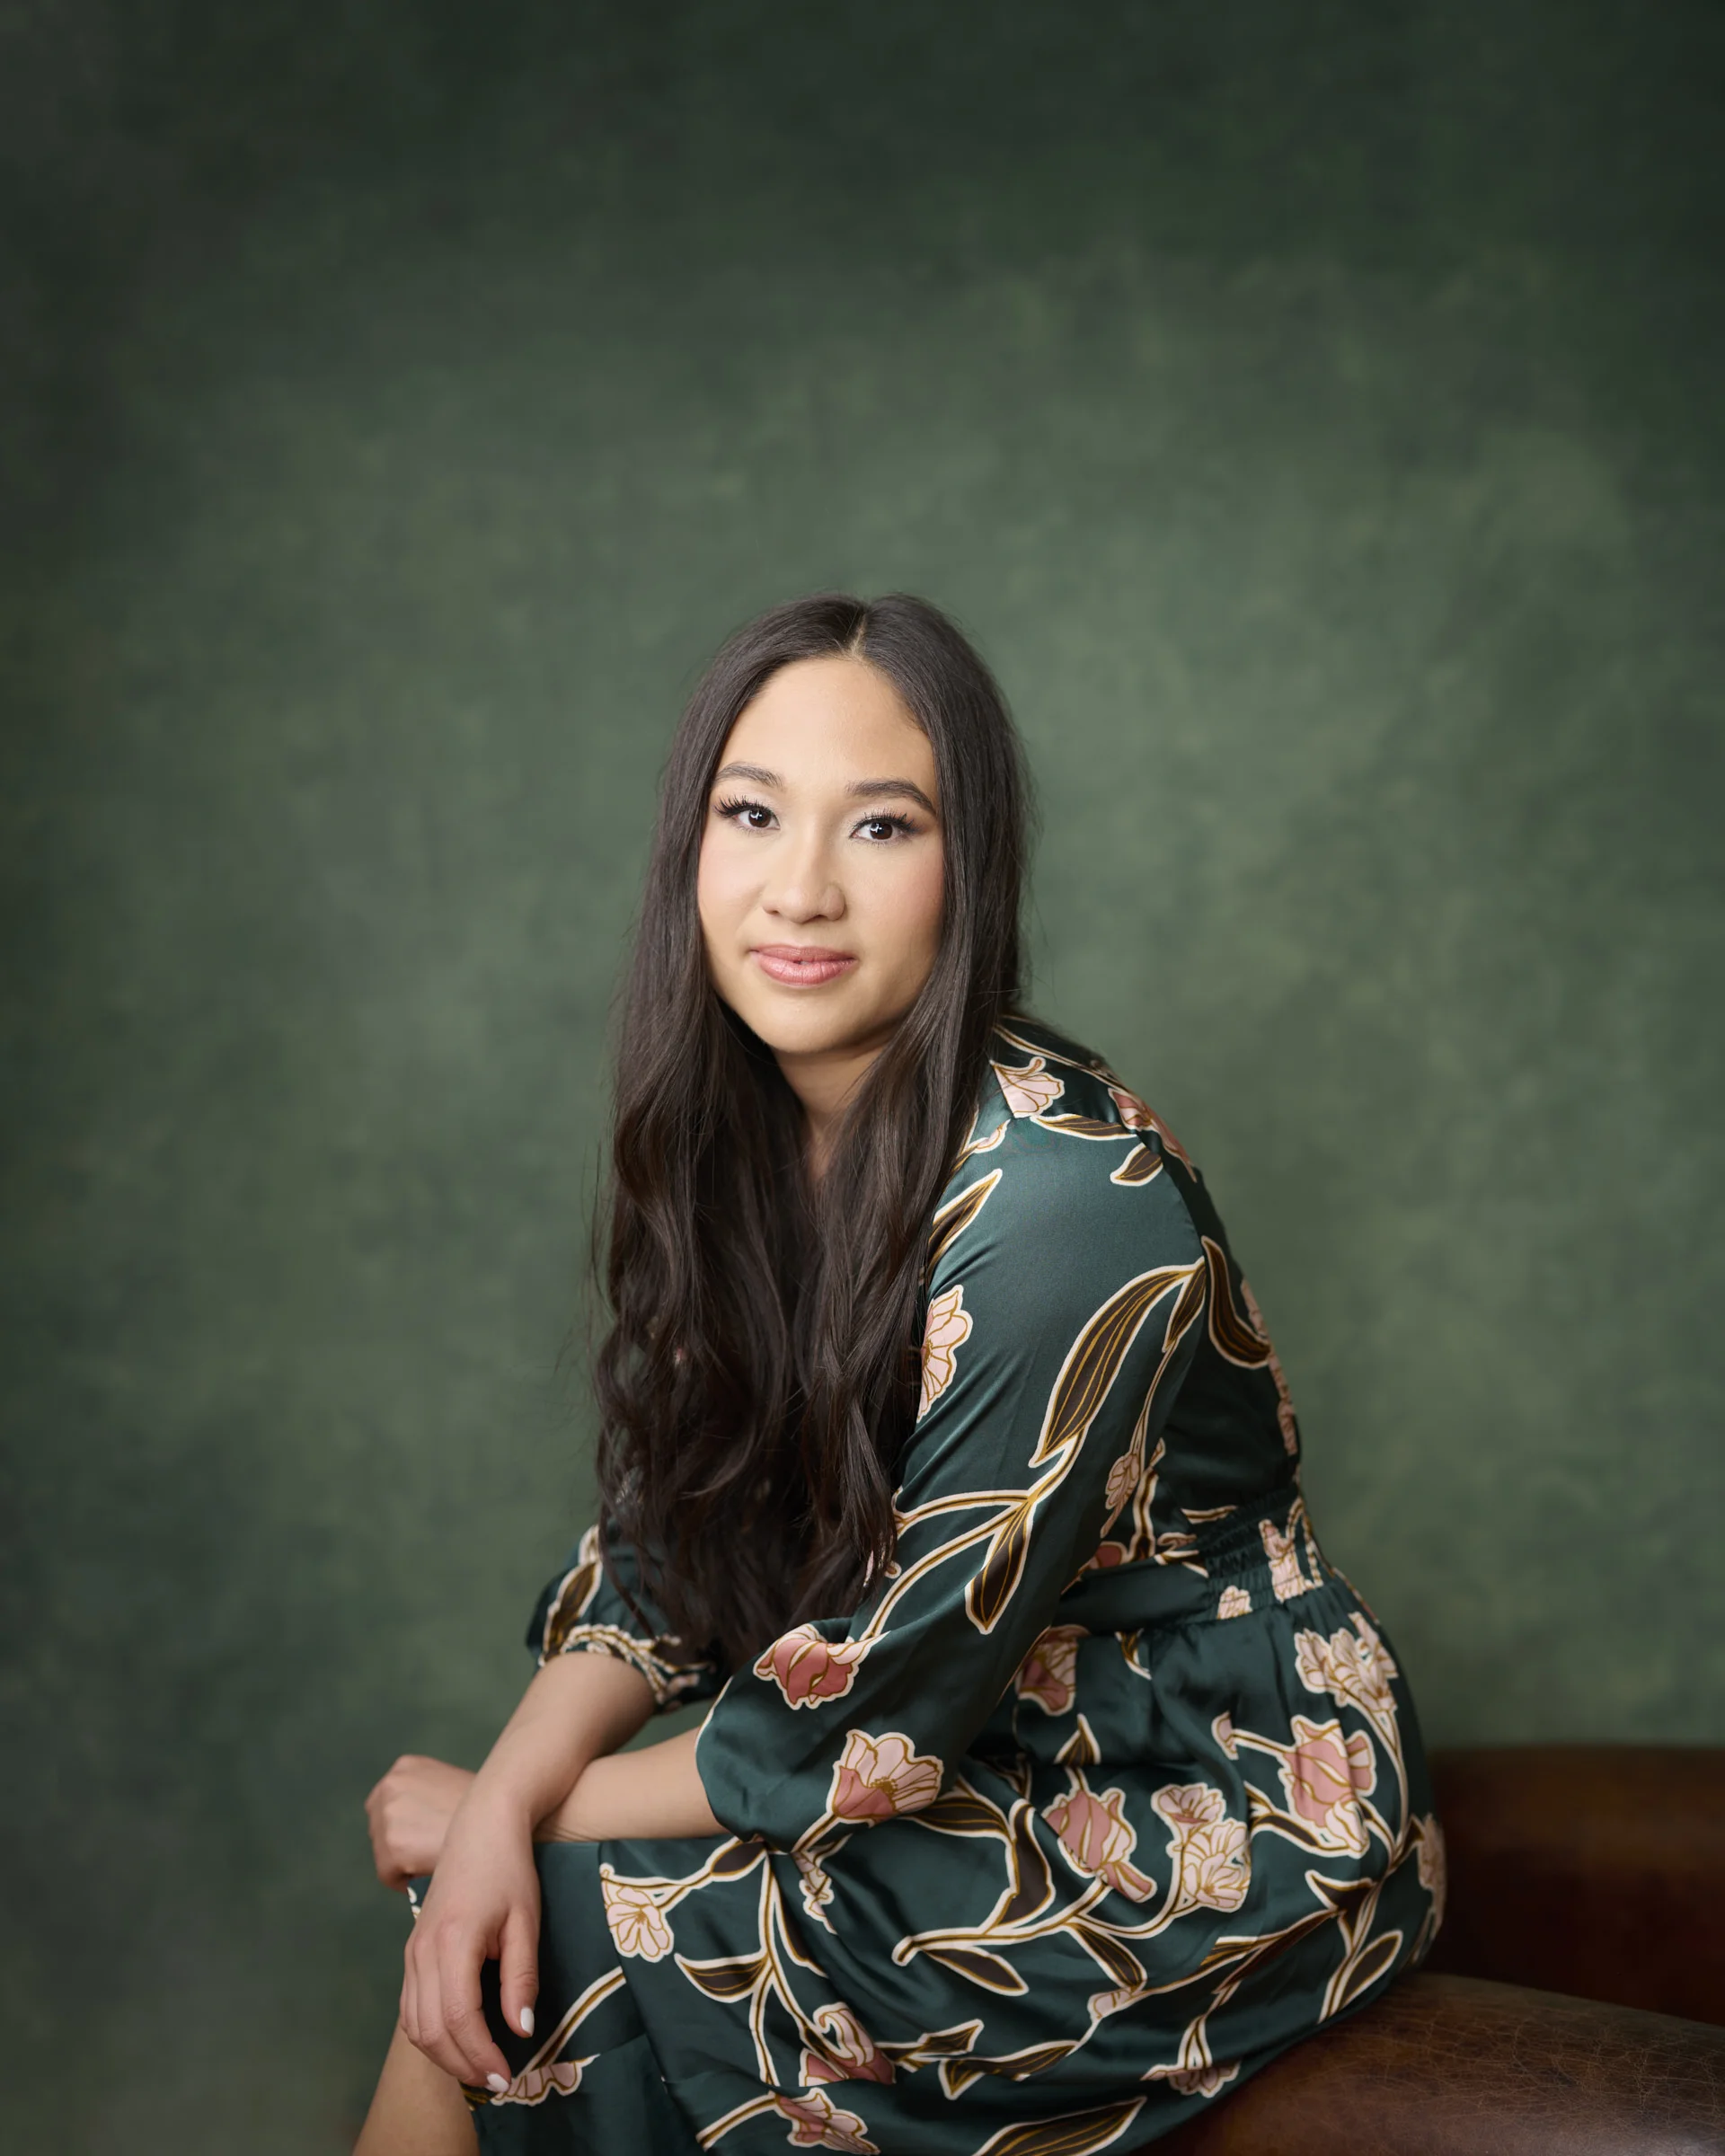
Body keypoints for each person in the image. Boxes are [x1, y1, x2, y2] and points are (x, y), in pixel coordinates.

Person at [354, 594, 1444, 2156]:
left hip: (1204, 1808)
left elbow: (874, 1717)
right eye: (752, 814)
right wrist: (507, 1804)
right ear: (691, 851)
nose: (801, 889)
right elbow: (668, 1540)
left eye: (880, 827)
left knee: (573, 1927)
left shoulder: (1071, 1201)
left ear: (968, 874)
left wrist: (506, 1816)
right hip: (958, 1765)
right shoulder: (742, 1140)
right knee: (496, 1930)